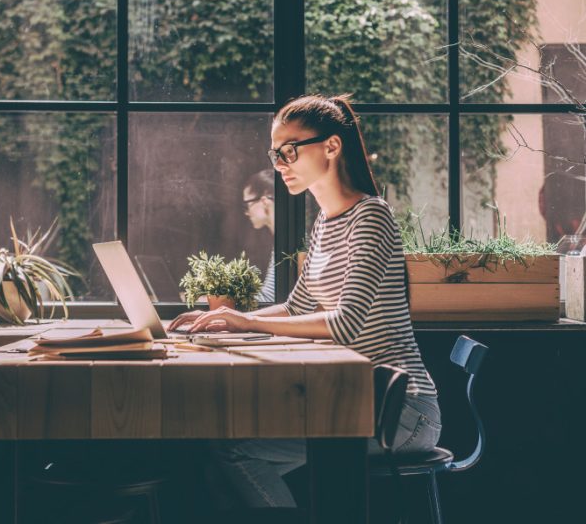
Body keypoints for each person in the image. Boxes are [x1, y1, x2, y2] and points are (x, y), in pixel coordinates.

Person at [169, 94, 440, 508]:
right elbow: (298, 307)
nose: (280, 164)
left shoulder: (372, 216)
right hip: (354, 399)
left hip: (402, 411)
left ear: (331, 147)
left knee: (235, 451)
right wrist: (227, 318)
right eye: (275, 153)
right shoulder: (324, 224)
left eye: (289, 151)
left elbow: (345, 323)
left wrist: (249, 324)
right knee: (218, 451)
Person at [242, 169, 275, 303]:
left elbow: (270, 299)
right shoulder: (281, 242)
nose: (247, 213)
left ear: (264, 201)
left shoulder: (291, 243)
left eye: (247, 205)